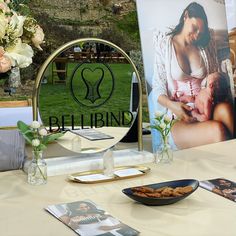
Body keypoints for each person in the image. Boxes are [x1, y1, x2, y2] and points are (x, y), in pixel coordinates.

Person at [152, 2, 234, 149]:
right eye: (195, 28)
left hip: (206, 105)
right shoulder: (164, 44)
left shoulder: (205, 44)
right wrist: (173, 106)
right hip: (180, 114)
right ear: (186, 16)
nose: (196, 35)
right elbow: (157, 88)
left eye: (200, 33)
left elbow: (215, 76)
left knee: (228, 111)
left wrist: (210, 86)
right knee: (218, 131)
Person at [59, 201, 136, 236]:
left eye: (86, 206)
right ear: (73, 209)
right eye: (80, 208)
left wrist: (111, 227)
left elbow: (124, 224)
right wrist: (73, 222)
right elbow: (73, 229)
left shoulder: (101, 212)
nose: (85, 209)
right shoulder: (68, 217)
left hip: (112, 233)